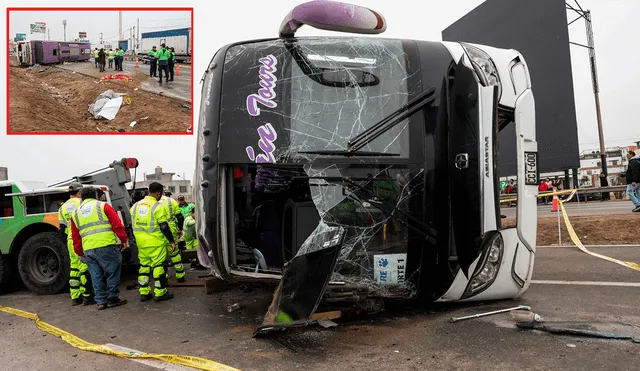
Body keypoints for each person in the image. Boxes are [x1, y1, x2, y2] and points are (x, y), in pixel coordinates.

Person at [70, 187, 128, 310]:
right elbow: (117, 224)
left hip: (88, 249)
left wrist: (79, 252)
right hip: (106, 245)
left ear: (81, 197)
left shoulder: (75, 213)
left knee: (95, 275)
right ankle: (112, 298)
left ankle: (100, 301)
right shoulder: (103, 206)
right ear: (96, 195)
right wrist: (123, 240)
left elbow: (75, 236)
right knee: (112, 272)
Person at [130, 182, 176, 301]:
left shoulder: (135, 206)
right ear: (158, 193)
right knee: (158, 266)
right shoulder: (157, 206)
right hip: (155, 242)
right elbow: (164, 226)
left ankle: (144, 292)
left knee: (144, 266)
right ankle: (160, 292)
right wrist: (171, 241)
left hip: (141, 243)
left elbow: (132, 225)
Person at [58, 182, 94, 306]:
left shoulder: (62, 207)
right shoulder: (81, 204)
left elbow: (62, 228)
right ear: (79, 193)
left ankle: (75, 296)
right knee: (84, 267)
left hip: (70, 240)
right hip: (81, 239)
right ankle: (87, 295)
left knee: (74, 267)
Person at [161, 191, 186, 282]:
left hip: (157, 233)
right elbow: (180, 217)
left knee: (160, 257)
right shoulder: (171, 201)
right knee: (174, 253)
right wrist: (180, 229)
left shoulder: (150, 203)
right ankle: (180, 276)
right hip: (171, 229)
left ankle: (163, 279)